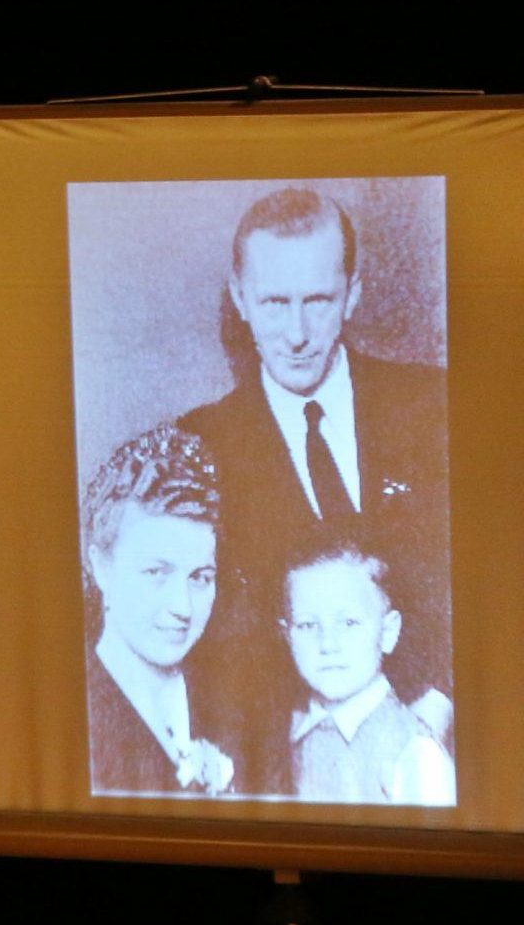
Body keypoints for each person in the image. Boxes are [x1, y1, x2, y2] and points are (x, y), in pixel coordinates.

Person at [175, 188, 451, 791]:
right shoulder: (198, 448)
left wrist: (434, 717)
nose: (296, 334)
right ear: (240, 298)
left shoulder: (437, 406)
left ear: (352, 293)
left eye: (318, 301)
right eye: (275, 303)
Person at [81, 425, 238, 795]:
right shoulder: (75, 709)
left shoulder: (235, 709)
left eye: (200, 577)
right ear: (102, 568)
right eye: (156, 573)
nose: (182, 607)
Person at [277, 539, 454, 807]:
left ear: (388, 632)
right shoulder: (285, 734)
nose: (328, 644)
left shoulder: (414, 753)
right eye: (307, 625)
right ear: (287, 636)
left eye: (349, 623)